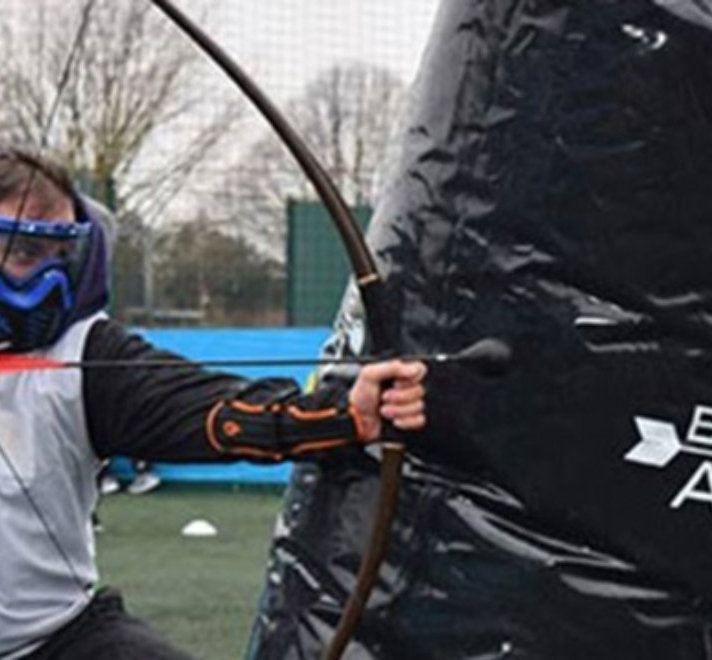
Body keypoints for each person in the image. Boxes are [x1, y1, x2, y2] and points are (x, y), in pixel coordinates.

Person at [0, 148, 427, 660]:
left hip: (50, 639)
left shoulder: (85, 355)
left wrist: (347, 414)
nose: (38, 279)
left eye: (50, 255)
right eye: (17, 251)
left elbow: (211, 409)